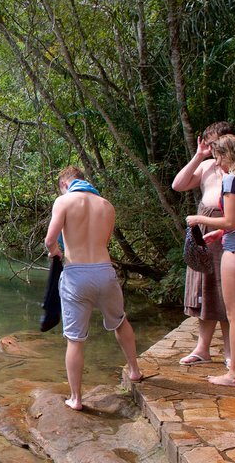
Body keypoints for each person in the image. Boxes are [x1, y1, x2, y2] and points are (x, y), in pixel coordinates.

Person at [171, 122, 235, 367]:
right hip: (214, 233)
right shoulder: (208, 164)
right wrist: (199, 156)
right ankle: (204, 349)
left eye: (213, 145)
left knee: (233, 303)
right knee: (204, 292)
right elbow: (177, 185)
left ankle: (233, 356)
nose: (211, 151)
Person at [44, 167, 142, 410]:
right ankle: (135, 370)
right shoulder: (106, 205)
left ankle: (76, 398)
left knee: (75, 340)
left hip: (76, 274)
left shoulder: (64, 201)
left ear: (64, 184)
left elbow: (49, 239)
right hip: (104, 271)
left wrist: (55, 252)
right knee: (120, 322)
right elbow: (104, 241)